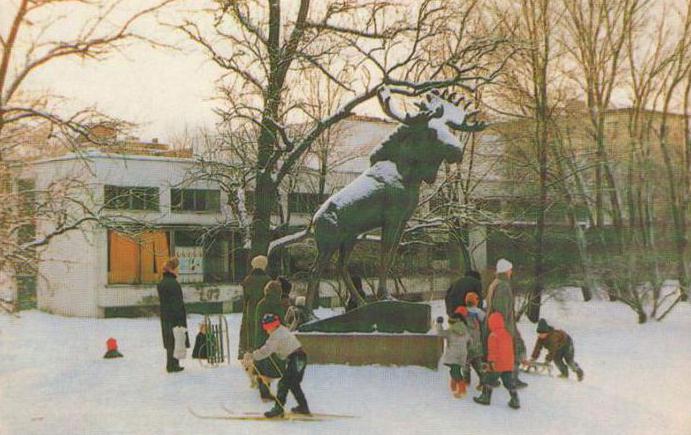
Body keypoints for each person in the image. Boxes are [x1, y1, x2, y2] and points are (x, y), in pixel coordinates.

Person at [244, 313, 310, 418]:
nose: (266, 330)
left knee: (283, 383)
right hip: (299, 358)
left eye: (266, 327)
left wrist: (253, 355)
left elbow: (266, 350)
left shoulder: (276, 335)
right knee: (293, 384)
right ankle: (303, 407)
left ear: (271, 326)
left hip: (296, 358)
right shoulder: (280, 330)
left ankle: (278, 408)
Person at [484, 258, 528, 388]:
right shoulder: (503, 286)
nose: (511, 272)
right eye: (510, 270)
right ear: (506, 271)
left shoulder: (495, 284)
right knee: (511, 350)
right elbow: (501, 309)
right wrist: (502, 329)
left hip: (498, 325)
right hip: (503, 326)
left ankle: (506, 378)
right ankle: (509, 379)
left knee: (502, 352)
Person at [473, 312, 520, 409]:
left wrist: (491, 363)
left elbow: (493, 351)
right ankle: (515, 400)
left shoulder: (493, 336)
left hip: (497, 365)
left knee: (488, 379)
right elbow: (511, 350)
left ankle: (485, 398)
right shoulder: (507, 334)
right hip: (508, 364)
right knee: (508, 382)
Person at [157, 257, 189, 373]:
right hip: (175, 316)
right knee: (176, 339)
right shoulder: (173, 284)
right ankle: (173, 365)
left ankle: (172, 363)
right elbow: (177, 302)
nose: (178, 271)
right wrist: (180, 318)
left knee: (169, 339)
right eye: (177, 269)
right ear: (172, 269)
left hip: (165, 315)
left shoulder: (162, 283)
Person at [238, 255, 271, 359]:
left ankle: (246, 350)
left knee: (248, 329)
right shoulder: (268, 280)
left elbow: (245, 297)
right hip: (263, 309)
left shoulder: (248, 280)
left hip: (250, 309)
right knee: (261, 329)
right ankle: (260, 351)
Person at [435, 307, 471, 398]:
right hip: (462, 355)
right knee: (455, 370)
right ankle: (454, 385)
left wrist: (439, 323)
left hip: (453, 355)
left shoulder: (450, 332)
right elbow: (470, 340)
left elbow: (440, 333)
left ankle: (462, 390)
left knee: (455, 372)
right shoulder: (466, 331)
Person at [463, 292, 485, 390]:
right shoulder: (479, 312)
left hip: (465, 342)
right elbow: (485, 320)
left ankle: (466, 381)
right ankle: (483, 380)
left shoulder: (462, 311)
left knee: (465, 363)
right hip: (476, 341)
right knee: (477, 362)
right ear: (476, 301)